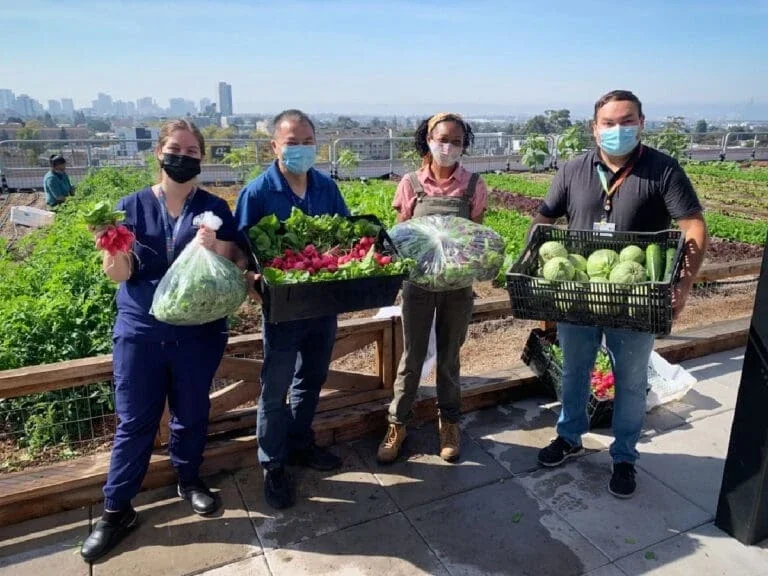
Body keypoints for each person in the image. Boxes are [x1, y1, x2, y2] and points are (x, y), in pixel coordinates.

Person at [80, 119, 250, 562]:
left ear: (202, 159)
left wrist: (212, 247)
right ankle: (116, 510)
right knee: (135, 421)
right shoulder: (129, 207)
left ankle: (189, 479)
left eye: (193, 151)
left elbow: (235, 262)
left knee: (192, 411)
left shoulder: (215, 207)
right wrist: (112, 252)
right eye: (176, 148)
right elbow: (119, 273)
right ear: (159, 153)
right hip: (141, 333)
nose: (183, 157)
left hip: (198, 333)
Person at [531, 90, 708, 498]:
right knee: (575, 371)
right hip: (581, 293)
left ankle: (625, 456)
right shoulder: (573, 169)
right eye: (608, 123)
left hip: (636, 295)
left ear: (641, 123)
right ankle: (570, 437)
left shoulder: (663, 170)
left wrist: (681, 285)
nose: (617, 130)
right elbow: (543, 218)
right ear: (594, 129)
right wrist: (534, 265)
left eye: (626, 121)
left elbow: (693, 227)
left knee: (630, 381)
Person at [234, 109, 350, 510]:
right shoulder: (258, 193)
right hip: (282, 309)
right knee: (275, 387)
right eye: (291, 142)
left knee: (312, 378)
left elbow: (346, 237)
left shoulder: (325, 187)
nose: (300, 149)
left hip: (322, 305)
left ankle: (301, 443)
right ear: (274, 146)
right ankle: (274, 463)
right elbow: (242, 254)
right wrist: (256, 289)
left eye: (306, 142)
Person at [377, 112, 488, 464]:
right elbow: (400, 238)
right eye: (442, 139)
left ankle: (449, 423)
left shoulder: (473, 185)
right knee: (411, 357)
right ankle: (398, 423)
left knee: (450, 357)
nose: (448, 146)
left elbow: (475, 238)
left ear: (463, 145)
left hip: (457, 285)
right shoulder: (411, 182)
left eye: (456, 141)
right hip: (419, 283)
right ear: (428, 139)